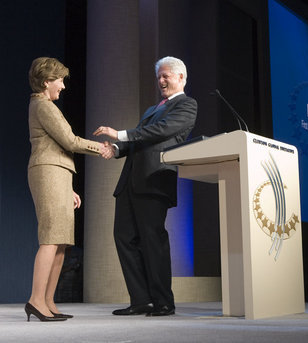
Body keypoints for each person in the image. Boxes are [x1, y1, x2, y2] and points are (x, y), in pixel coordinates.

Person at [93, 56, 197, 316]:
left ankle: (163, 301)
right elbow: (139, 140)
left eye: (166, 76)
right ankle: (141, 300)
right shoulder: (152, 109)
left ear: (181, 77)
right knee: (124, 237)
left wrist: (120, 134)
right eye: (159, 76)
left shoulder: (187, 105)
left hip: (154, 179)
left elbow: (161, 131)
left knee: (153, 240)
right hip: (131, 180)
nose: (161, 81)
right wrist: (116, 148)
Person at [26, 57, 113, 322]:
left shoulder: (47, 106)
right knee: (51, 237)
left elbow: (59, 148)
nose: (63, 86)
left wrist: (69, 188)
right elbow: (69, 141)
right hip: (48, 172)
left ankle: (48, 300)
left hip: (58, 174)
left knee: (62, 242)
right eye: (59, 80)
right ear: (46, 82)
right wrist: (102, 148)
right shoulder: (43, 106)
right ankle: (35, 300)